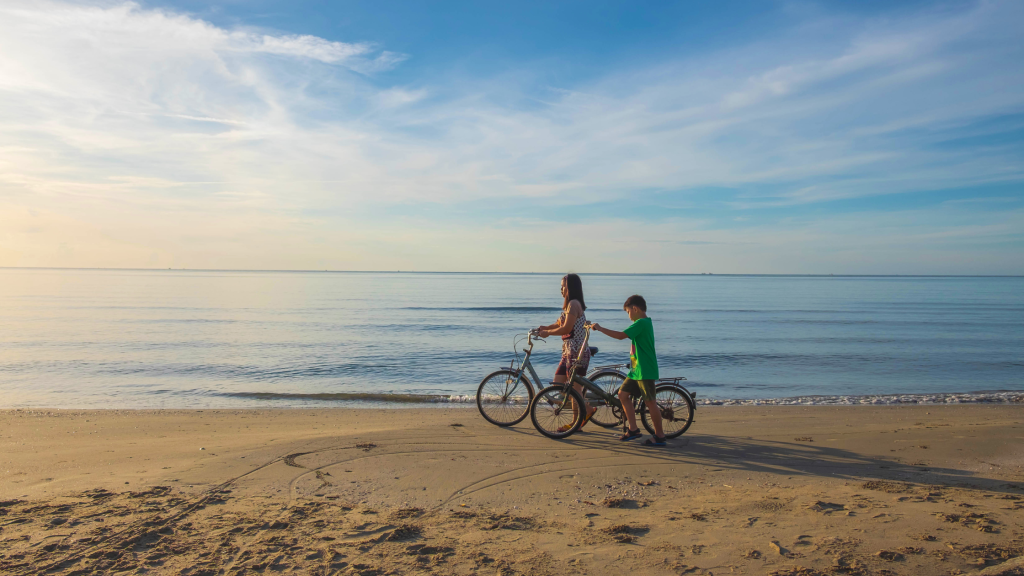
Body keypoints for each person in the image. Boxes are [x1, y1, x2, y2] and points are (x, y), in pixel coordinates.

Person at [590, 294, 666, 446]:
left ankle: (659, 435)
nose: (628, 316)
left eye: (628, 312)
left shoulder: (641, 323)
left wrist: (599, 328)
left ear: (635, 309)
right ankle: (633, 429)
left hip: (645, 370)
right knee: (622, 394)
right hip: (636, 370)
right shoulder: (643, 323)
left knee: (650, 402)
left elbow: (620, 336)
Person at [537, 273, 595, 428]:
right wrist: (545, 328)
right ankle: (586, 409)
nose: (560, 289)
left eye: (562, 286)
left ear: (569, 287)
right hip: (568, 352)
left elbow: (567, 328)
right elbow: (559, 323)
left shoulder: (574, 304)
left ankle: (577, 421)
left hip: (577, 353)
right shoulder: (570, 305)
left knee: (574, 391)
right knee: (558, 385)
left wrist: (547, 334)